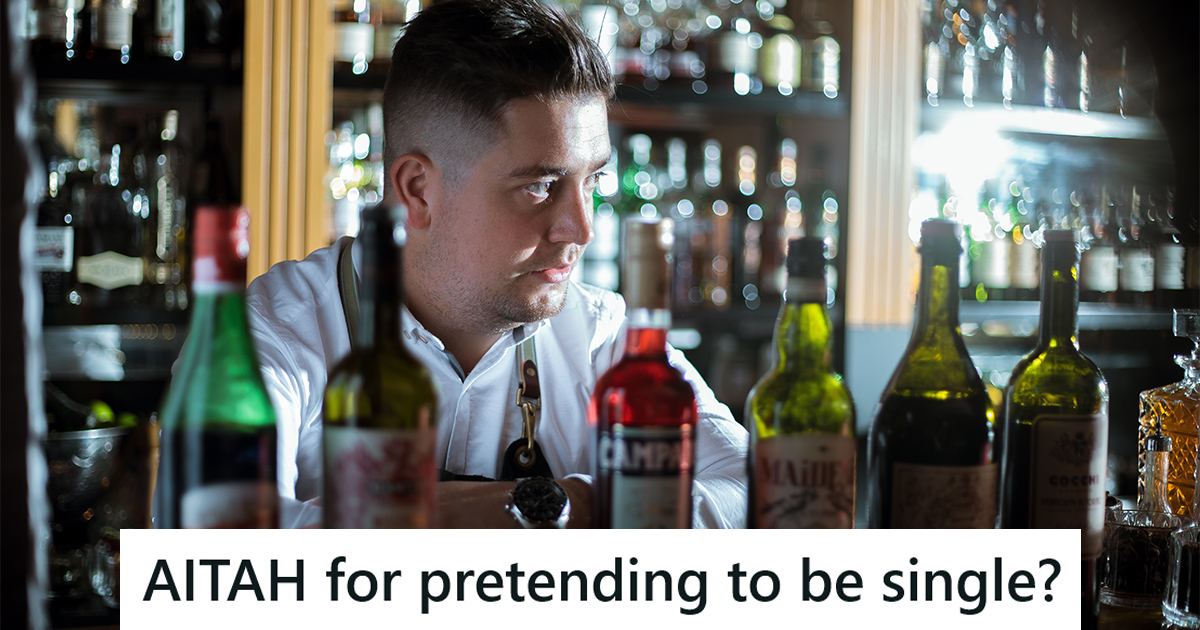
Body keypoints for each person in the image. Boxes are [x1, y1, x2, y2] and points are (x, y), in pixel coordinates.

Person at [245, 0, 748, 528]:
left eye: (592, 181)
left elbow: (748, 490)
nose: (581, 228)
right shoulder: (277, 333)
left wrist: (564, 505)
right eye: (539, 186)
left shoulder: (600, 335)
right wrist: (615, 511)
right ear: (418, 190)